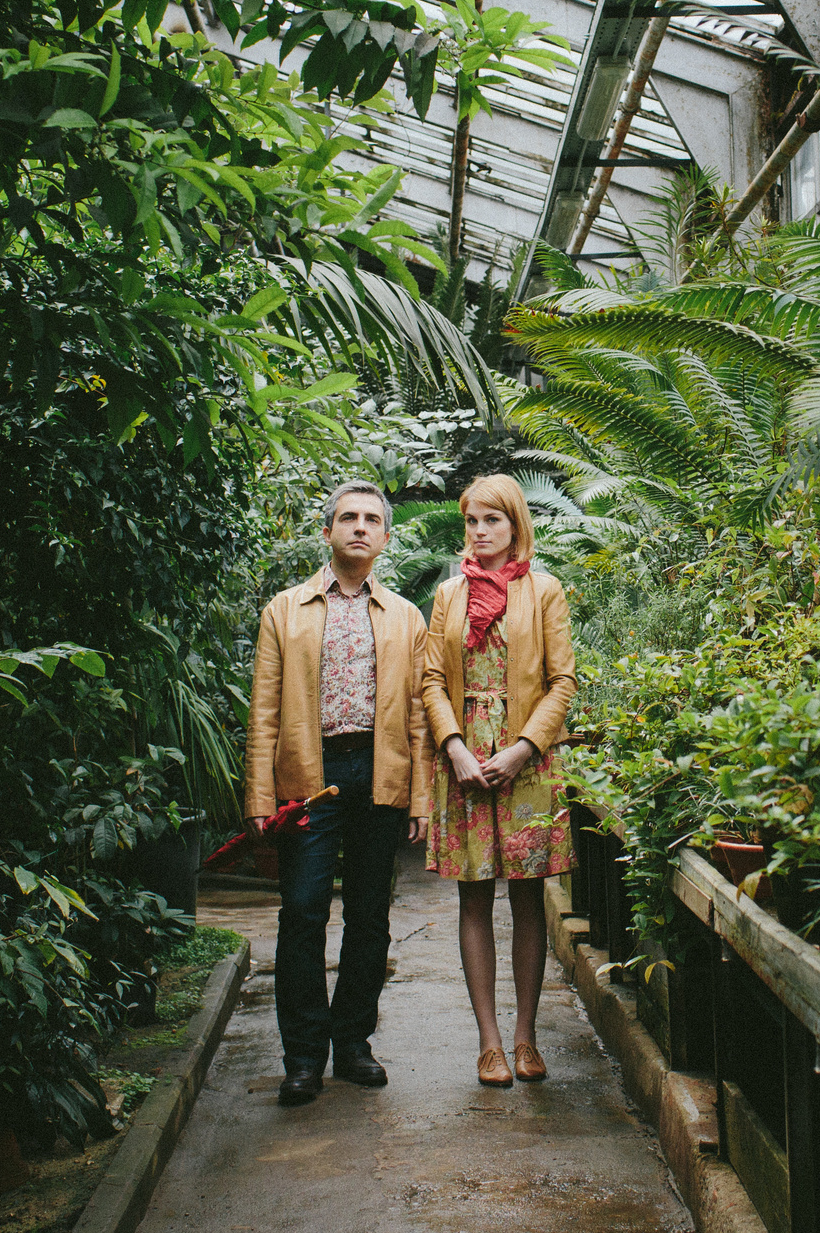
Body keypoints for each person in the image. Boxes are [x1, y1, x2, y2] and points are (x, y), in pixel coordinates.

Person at [246, 481, 431, 1108]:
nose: (360, 527)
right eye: (347, 518)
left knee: (370, 916)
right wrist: (258, 798)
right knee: (301, 912)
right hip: (309, 779)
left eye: (372, 519)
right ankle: (302, 1057)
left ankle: (353, 1043)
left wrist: (422, 799)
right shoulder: (285, 610)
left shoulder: (406, 616)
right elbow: (264, 713)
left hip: (378, 777)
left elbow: (417, 718)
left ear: (384, 536)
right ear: (327, 532)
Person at [420, 473, 578, 1088]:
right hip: (463, 763)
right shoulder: (449, 595)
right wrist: (454, 745)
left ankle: (526, 1038)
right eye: (472, 522)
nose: (480, 532)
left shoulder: (544, 591)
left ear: (515, 527)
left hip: (527, 760)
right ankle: (489, 1042)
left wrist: (521, 749)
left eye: (492, 521)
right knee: (474, 897)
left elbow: (562, 681)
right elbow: (431, 679)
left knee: (528, 898)